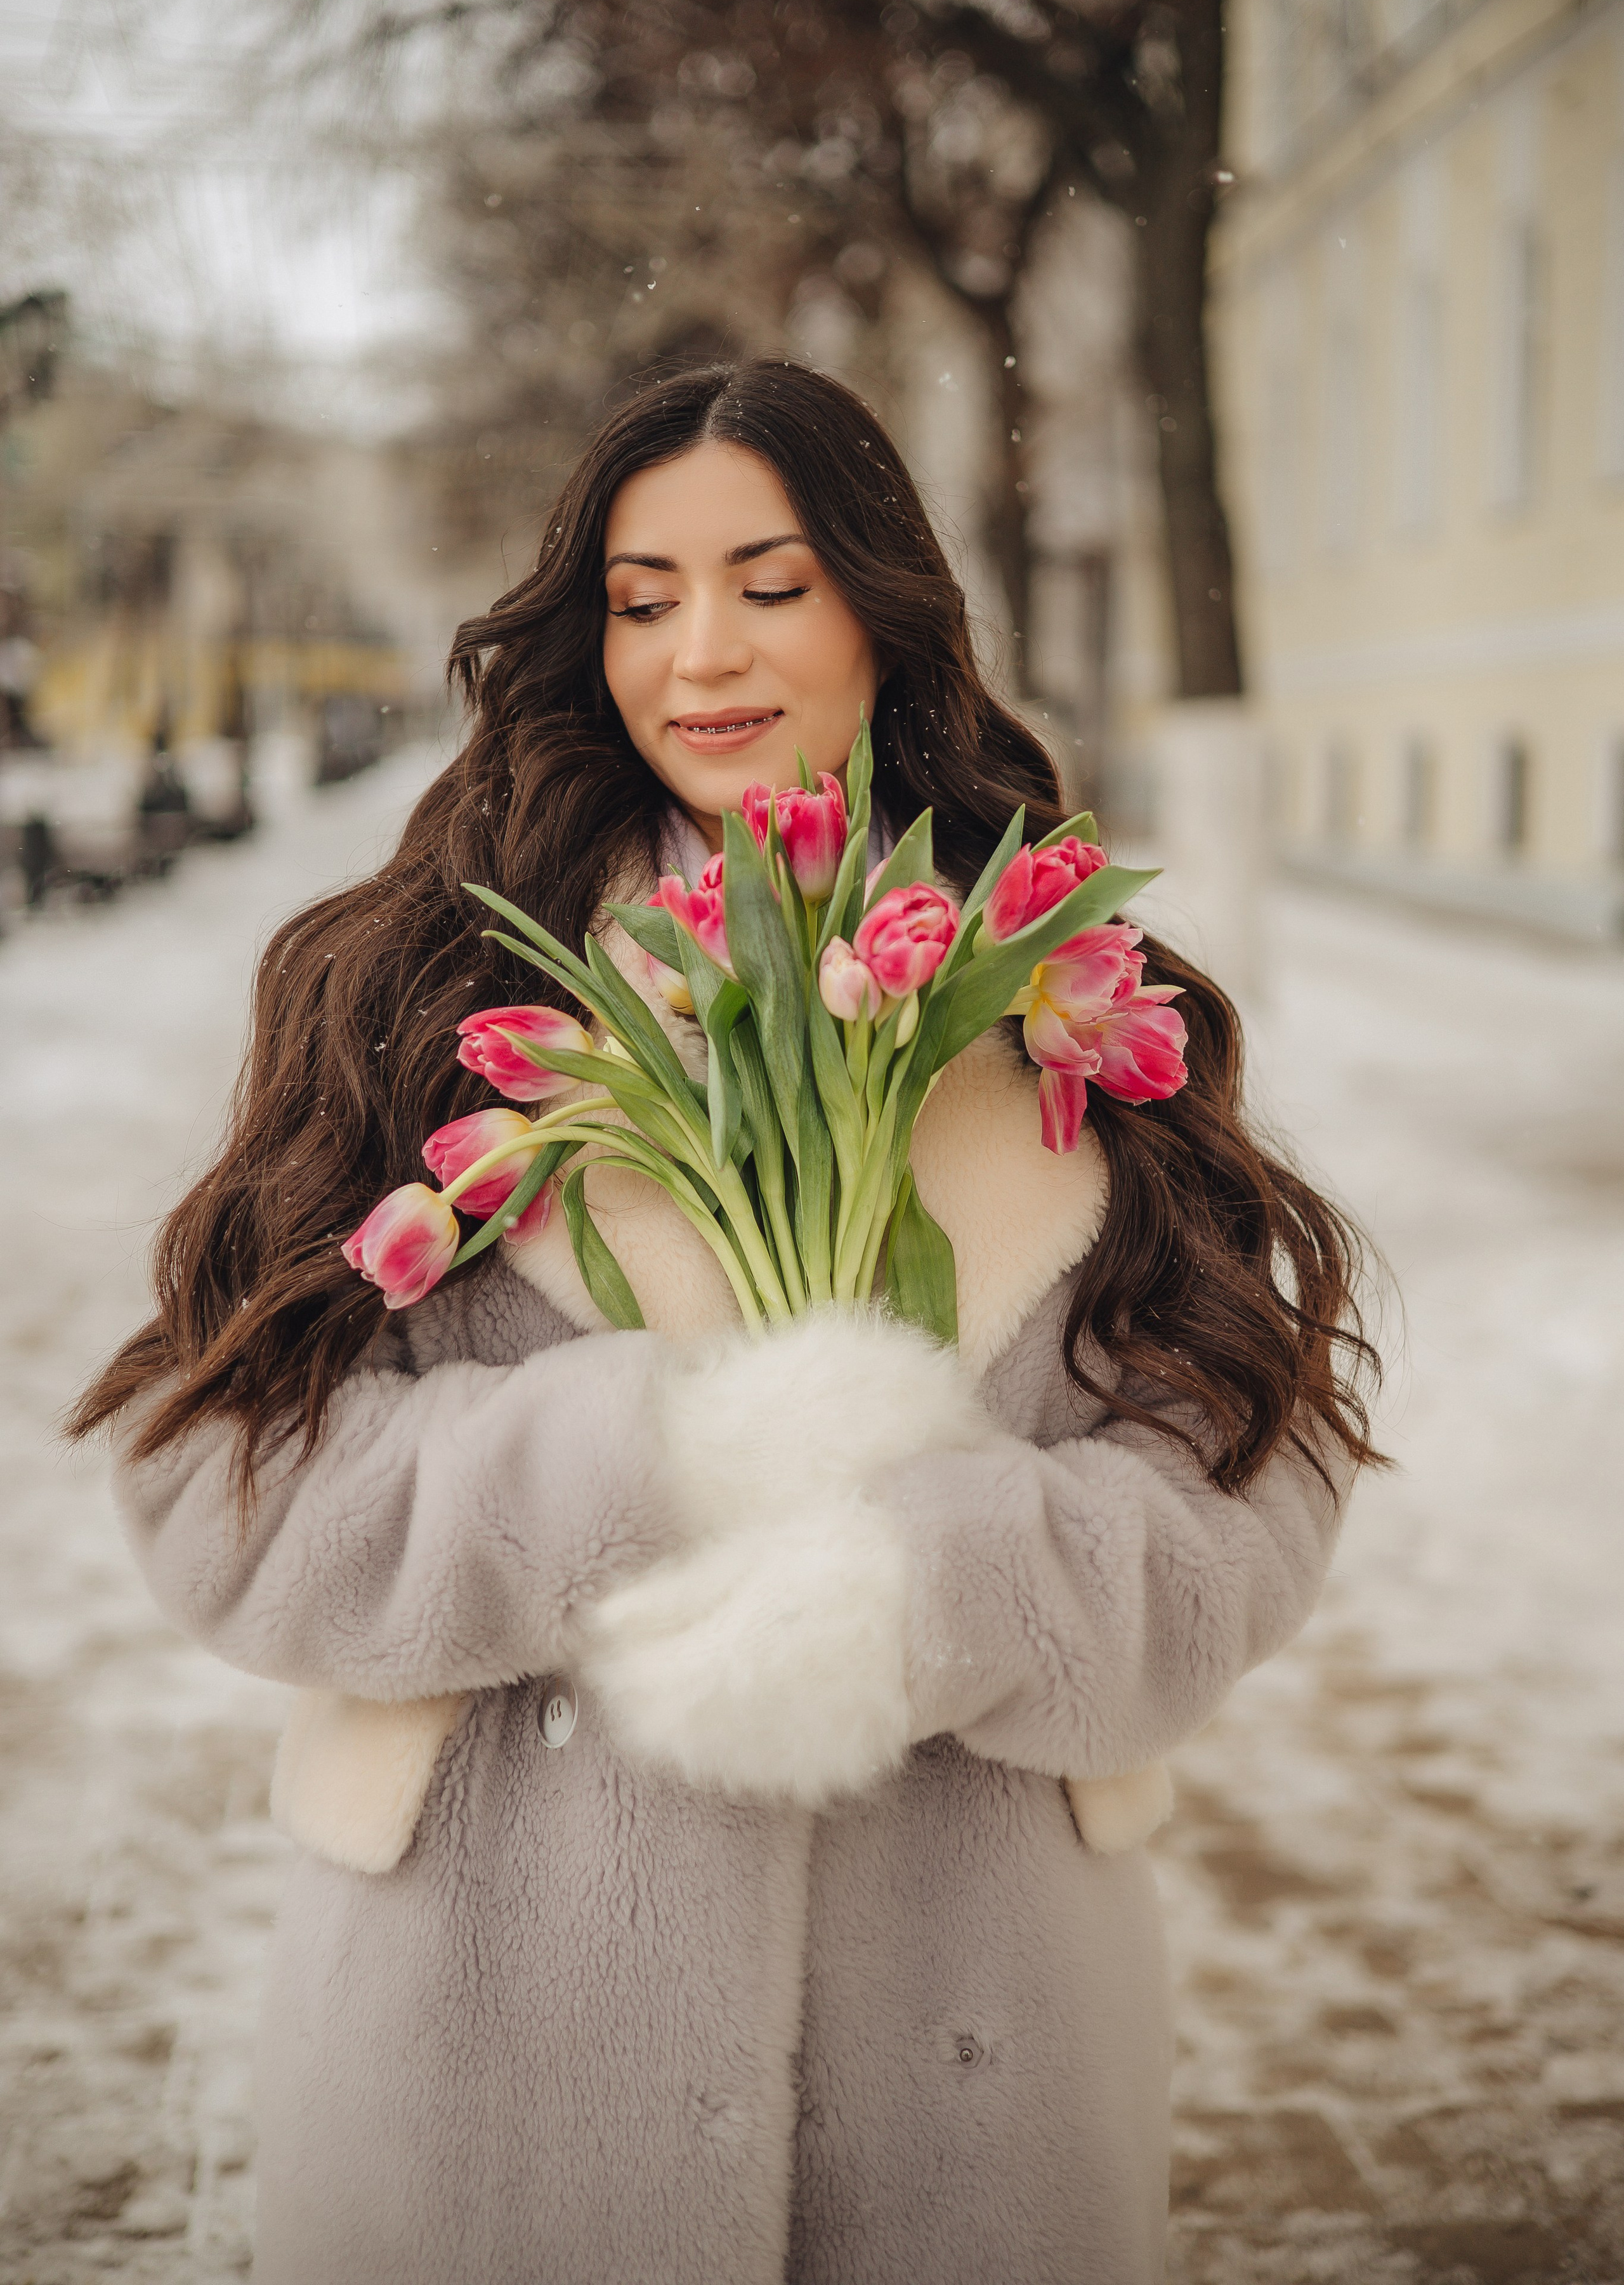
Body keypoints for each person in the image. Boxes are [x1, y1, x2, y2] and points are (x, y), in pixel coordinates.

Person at [72, 360, 1382, 2285]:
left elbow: (1244, 1498)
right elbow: (220, 1479)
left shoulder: (1068, 997)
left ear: (883, 604)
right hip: (486, 2080)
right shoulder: (418, 988)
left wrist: (932, 1588)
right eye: (641, 595)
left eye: (771, 586)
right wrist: (646, 1456)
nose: (703, 654)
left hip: (976, 2075)